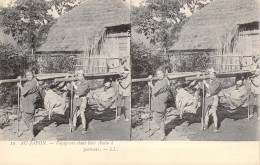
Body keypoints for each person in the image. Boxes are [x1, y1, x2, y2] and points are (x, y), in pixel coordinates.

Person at [17, 69, 39, 139]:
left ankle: (32, 135)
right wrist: (20, 79)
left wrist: (20, 86)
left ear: (33, 74)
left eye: (30, 75)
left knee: (29, 118)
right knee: (25, 118)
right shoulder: (29, 81)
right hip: (27, 103)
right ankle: (31, 131)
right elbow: (25, 86)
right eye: (27, 75)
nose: (29, 76)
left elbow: (24, 91)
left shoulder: (33, 82)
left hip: (30, 103)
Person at [148, 68, 169, 140]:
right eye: (158, 74)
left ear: (164, 73)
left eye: (160, 73)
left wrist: (151, 85)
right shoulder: (160, 80)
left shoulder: (164, 81)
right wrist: (151, 79)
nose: (159, 75)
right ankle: (162, 131)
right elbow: (156, 85)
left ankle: (163, 134)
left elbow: (155, 90)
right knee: (156, 116)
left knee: (160, 117)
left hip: (161, 101)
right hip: (157, 101)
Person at [202, 68, 221, 132]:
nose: (211, 75)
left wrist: (205, 84)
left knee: (214, 113)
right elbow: (203, 88)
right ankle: (206, 125)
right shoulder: (207, 80)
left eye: (212, 74)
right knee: (206, 112)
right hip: (207, 98)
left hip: (214, 98)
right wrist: (201, 82)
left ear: (215, 75)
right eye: (210, 74)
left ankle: (216, 126)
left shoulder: (217, 81)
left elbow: (212, 90)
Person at [71, 69, 90, 134]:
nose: (79, 76)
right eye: (78, 75)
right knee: (74, 113)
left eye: (81, 75)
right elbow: (71, 88)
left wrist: (74, 86)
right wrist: (69, 86)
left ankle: (84, 128)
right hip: (76, 99)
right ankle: (74, 126)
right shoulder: (76, 82)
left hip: (82, 99)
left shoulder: (86, 82)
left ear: (83, 75)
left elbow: (81, 91)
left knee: (82, 114)